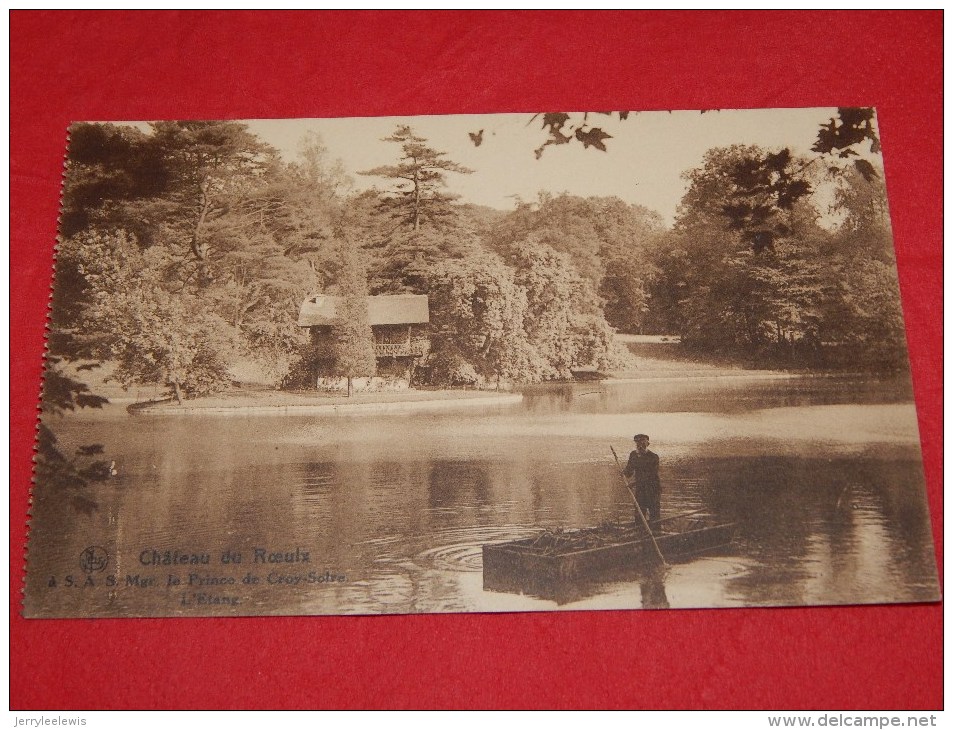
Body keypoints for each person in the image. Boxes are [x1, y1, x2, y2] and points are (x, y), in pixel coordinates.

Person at [623, 433, 661, 524]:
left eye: (643, 444)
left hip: (653, 489)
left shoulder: (654, 457)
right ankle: (640, 533)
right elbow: (629, 472)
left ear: (648, 444)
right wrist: (623, 472)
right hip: (640, 490)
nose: (640, 446)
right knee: (639, 513)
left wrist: (634, 483)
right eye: (638, 444)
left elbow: (650, 475)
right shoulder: (633, 455)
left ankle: (656, 533)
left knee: (654, 513)